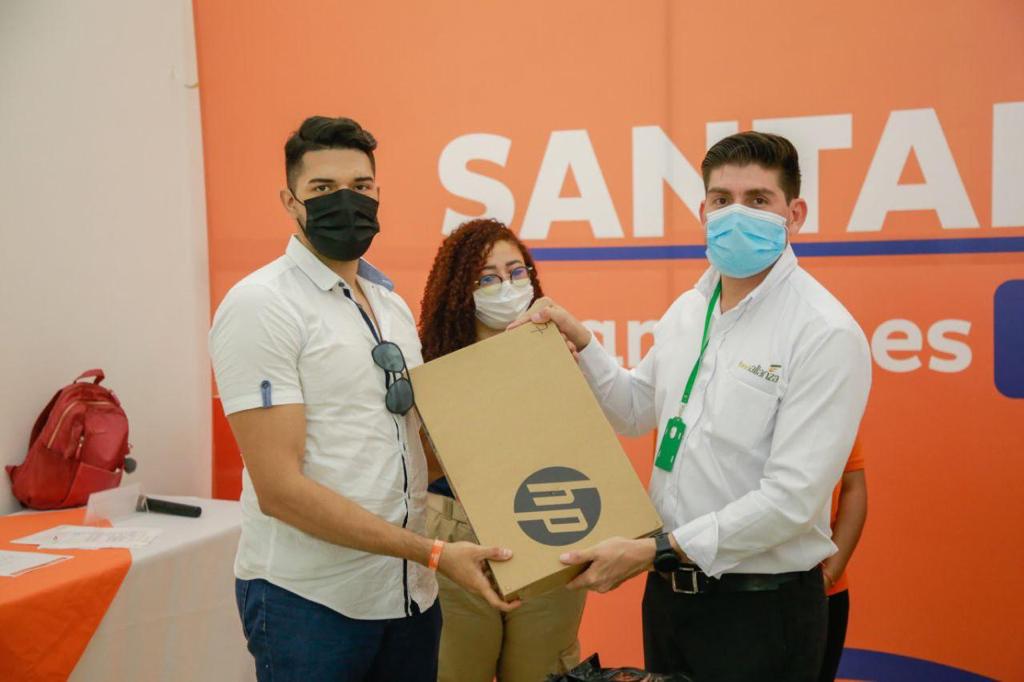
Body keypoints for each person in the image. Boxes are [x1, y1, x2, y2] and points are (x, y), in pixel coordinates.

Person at [514, 131, 872, 680]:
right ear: (703, 210)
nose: (736, 214)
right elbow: (636, 410)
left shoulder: (824, 332)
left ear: (794, 215)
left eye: (758, 200)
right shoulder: (689, 308)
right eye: (722, 199)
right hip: (669, 600)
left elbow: (791, 501)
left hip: (761, 610)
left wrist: (656, 549)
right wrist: (581, 344)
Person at [209, 116, 517, 682]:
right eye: (323, 188)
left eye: (360, 186)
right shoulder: (262, 305)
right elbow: (280, 491)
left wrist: (523, 390)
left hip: (408, 597)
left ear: (377, 194)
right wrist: (432, 552)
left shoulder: (388, 305)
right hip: (311, 603)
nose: (345, 202)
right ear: (290, 201)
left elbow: (415, 448)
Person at [418, 218, 587, 682]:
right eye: (487, 278)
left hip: (548, 522)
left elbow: (583, 451)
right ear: (460, 290)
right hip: (457, 533)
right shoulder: (431, 367)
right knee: (454, 670)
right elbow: (419, 467)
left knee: (545, 670)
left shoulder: (558, 351)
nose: (507, 286)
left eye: (516, 272)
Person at [819, 442, 868, 681]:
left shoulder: (834, 419)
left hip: (821, 592)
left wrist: (829, 575)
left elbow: (853, 488)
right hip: (734, 588)